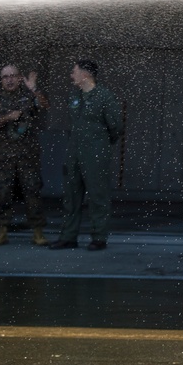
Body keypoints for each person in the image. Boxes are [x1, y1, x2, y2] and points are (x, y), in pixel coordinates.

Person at [49, 59, 123, 252]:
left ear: (86, 74)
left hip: (95, 153)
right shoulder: (74, 96)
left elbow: (116, 126)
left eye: (74, 72)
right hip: (74, 153)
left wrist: (101, 144)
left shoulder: (105, 96)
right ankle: (68, 237)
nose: (71, 75)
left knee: (98, 196)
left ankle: (99, 237)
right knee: (71, 197)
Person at [0, 64, 50, 246]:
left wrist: (34, 88)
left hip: (27, 155)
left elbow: (45, 105)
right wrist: (7, 117)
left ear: (20, 78)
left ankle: (37, 232)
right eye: (6, 76)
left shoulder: (28, 98)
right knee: (2, 194)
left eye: (13, 76)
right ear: (1, 80)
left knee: (32, 192)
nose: (10, 79)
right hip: (4, 156)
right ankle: (2, 231)